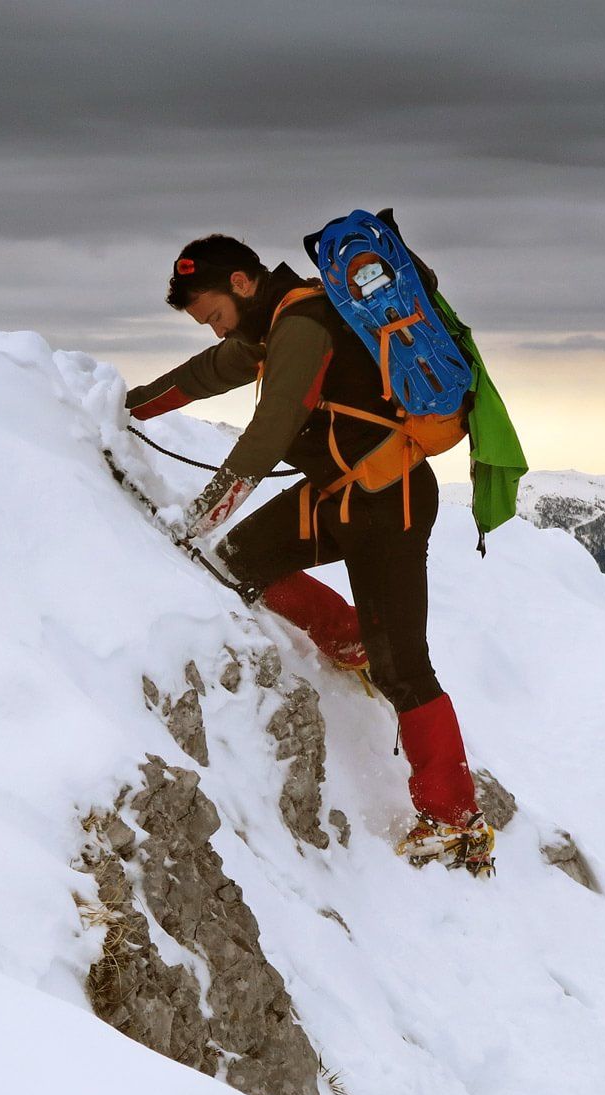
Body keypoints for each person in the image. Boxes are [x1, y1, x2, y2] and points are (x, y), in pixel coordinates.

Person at [124, 233, 493, 875]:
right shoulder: (270, 332)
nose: (213, 333)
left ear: (242, 284)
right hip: (336, 495)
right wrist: (124, 410)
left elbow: (271, 427)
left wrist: (205, 514)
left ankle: (455, 822)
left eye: (213, 315)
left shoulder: (302, 325)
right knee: (235, 564)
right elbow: (204, 376)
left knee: (404, 665)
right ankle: (351, 641)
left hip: (390, 503)